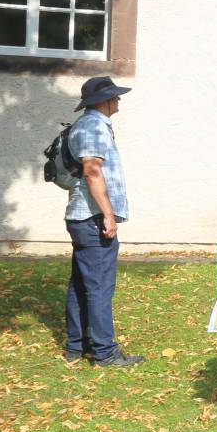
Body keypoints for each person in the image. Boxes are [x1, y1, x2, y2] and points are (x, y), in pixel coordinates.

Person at [63, 77, 142, 367]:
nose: (118, 100)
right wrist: (108, 213)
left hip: (85, 216)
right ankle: (104, 352)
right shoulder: (94, 126)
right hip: (92, 217)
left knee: (83, 284)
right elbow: (92, 171)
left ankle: (76, 345)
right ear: (103, 100)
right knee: (98, 286)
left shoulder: (91, 125)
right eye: (114, 96)